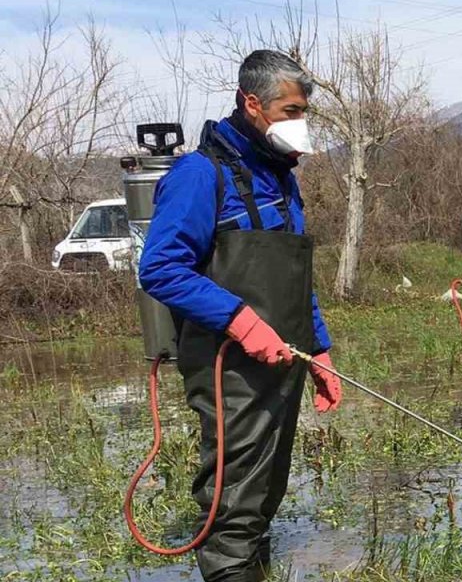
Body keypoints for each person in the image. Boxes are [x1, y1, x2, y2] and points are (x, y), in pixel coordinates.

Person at [138, 50, 341, 582]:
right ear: (252, 103)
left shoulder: (279, 177)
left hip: (283, 359)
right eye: (290, 110)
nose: (300, 123)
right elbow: (160, 269)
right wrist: (242, 322)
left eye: (303, 112)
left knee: (264, 493)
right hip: (229, 363)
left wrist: (317, 349)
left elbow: (294, 273)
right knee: (234, 502)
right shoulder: (199, 174)